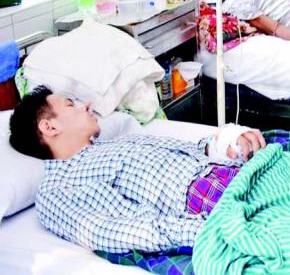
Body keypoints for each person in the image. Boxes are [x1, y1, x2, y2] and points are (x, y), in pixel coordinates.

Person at [9, 86, 272, 252]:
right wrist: (215, 230)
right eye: (70, 104)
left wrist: (227, 143)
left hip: (241, 172)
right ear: (49, 127)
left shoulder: (121, 141)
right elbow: (118, 230)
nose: (86, 104)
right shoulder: (59, 188)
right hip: (210, 199)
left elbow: (195, 149)